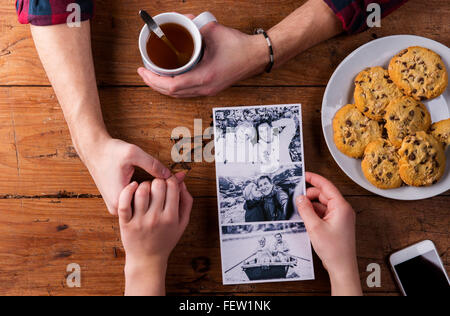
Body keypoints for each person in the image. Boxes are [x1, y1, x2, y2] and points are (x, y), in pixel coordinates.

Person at [118, 172, 362, 296]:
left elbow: (279, 201)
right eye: (260, 186)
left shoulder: (275, 195)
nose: (263, 188)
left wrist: (145, 262)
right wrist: (343, 269)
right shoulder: (256, 198)